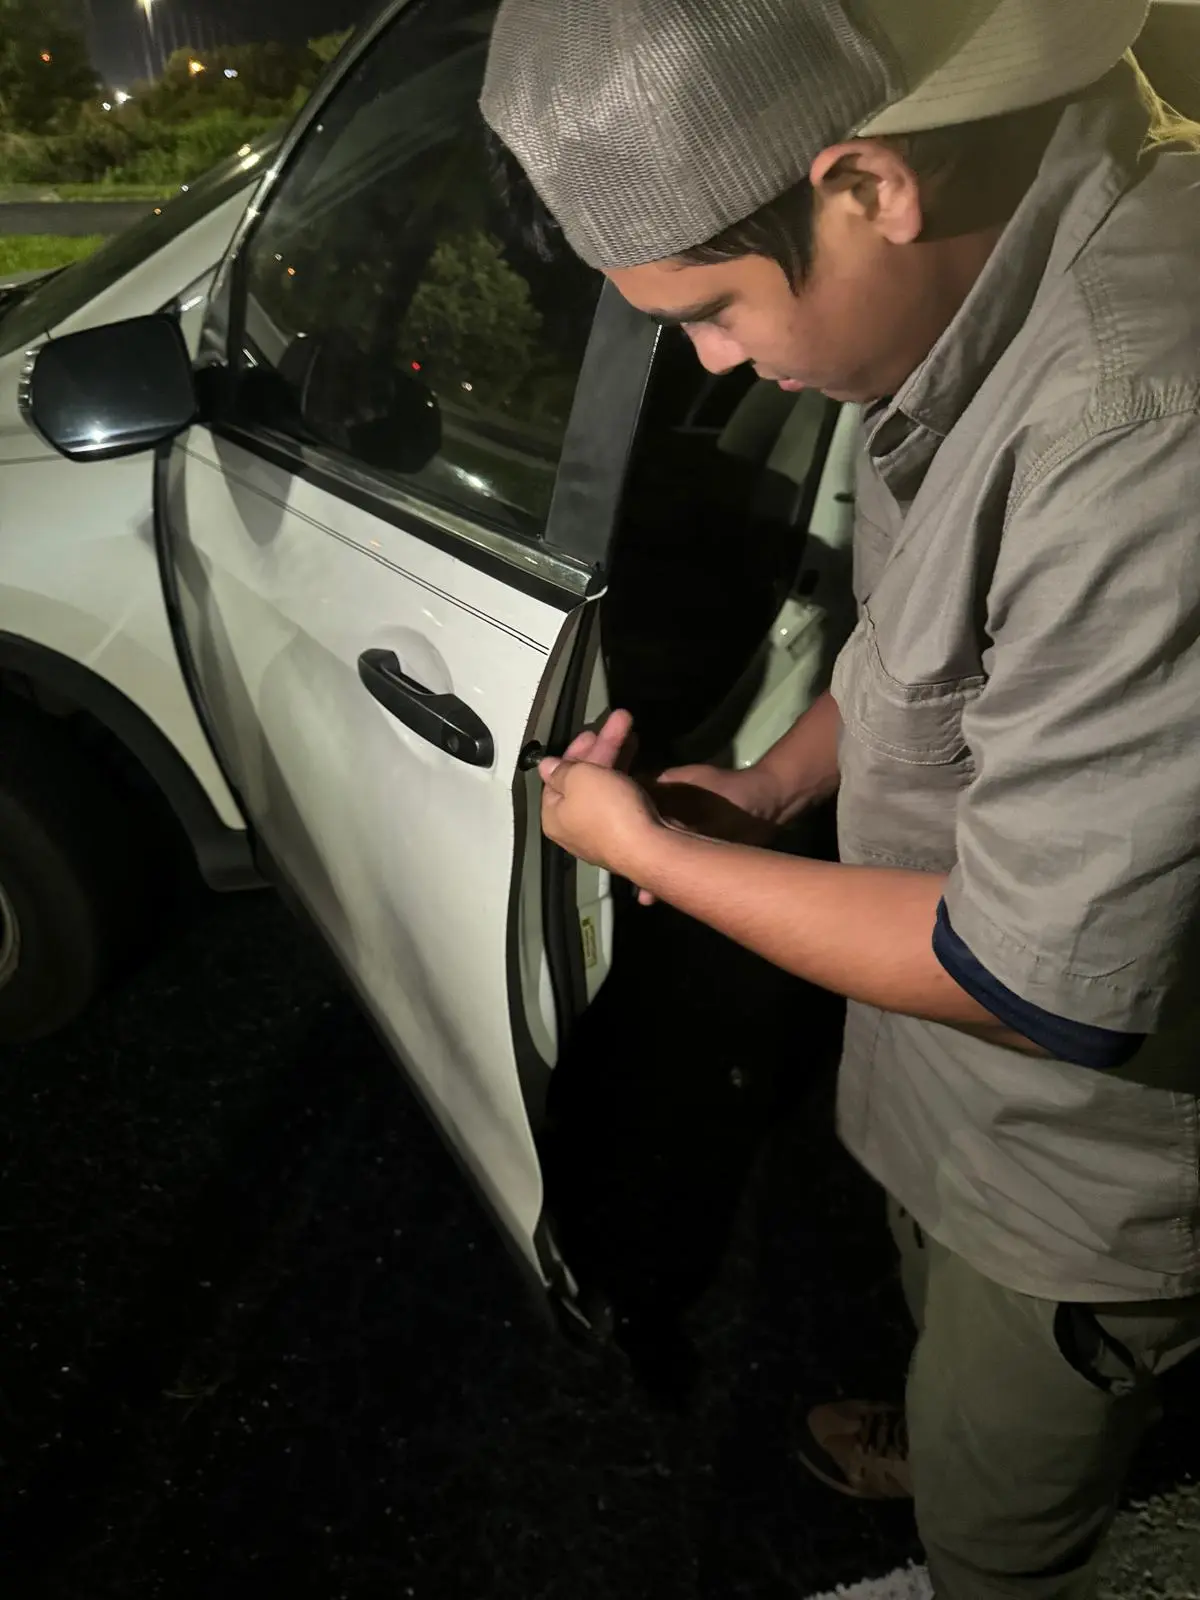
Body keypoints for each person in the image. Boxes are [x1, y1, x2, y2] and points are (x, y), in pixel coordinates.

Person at [481, 2, 1200, 1595]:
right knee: (961, 1351)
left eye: (714, 308)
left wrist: (637, 841)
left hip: (1074, 1161)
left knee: (1005, 1539)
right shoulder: (975, 313)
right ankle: (963, 1418)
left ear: (867, 181)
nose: (717, 362)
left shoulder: (1143, 430)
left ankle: (996, 1492)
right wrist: (768, 781)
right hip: (959, 1113)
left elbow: (1030, 982)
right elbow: (925, 645)